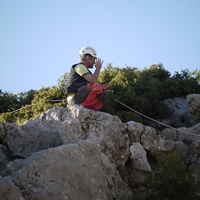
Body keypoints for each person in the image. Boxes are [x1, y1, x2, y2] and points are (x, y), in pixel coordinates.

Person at [65, 46, 109, 111]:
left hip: (82, 97)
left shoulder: (87, 72)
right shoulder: (79, 66)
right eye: (94, 59)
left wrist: (102, 88)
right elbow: (93, 80)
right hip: (74, 98)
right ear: (88, 57)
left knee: (104, 95)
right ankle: (84, 107)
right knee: (96, 86)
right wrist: (98, 68)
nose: (94, 62)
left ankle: (91, 110)